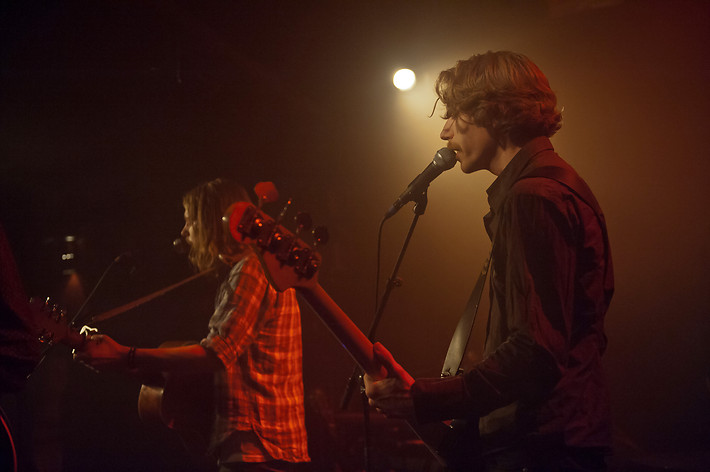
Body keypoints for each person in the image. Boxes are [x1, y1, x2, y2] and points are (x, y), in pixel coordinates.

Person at [364, 51, 614, 472]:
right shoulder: (555, 186)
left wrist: (424, 398)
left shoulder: (532, 197)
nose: (444, 132)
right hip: (559, 438)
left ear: (491, 111)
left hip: (540, 448)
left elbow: (536, 350)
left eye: (454, 114)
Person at [74, 178, 310, 472]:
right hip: (259, 449)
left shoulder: (251, 270)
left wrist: (126, 354)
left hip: (259, 450)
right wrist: (122, 360)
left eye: (190, 221)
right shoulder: (245, 271)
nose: (184, 233)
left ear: (212, 222)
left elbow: (216, 354)